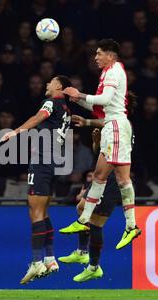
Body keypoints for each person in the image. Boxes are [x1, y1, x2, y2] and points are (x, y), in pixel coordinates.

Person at [61, 39, 141, 250]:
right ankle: (88, 220)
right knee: (103, 176)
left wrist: (80, 95)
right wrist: (77, 99)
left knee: (118, 180)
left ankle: (129, 225)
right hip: (112, 127)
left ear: (110, 56)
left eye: (98, 53)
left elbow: (104, 100)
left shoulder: (114, 71)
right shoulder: (110, 72)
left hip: (115, 127)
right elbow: (101, 105)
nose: (95, 57)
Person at [0, 75, 72, 284]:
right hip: (54, 163)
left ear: (59, 86)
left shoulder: (52, 102)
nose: (47, 84)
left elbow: (39, 117)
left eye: (51, 81)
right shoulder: (67, 110)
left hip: (43, 161)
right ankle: (50, 259)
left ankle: (37, 261)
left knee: (35, 211)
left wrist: (16, 131)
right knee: (43, 210)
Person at [59, 127, 122, 282]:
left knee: (95, 222)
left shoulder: (121, 129)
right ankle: (84, 255)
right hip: (101, 178)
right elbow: (100, 154)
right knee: (82, 209)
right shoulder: (110, 127)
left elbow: (118, 159)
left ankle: (93, 266)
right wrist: (97, 142)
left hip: (111, 181)